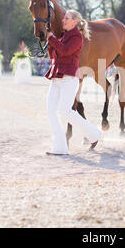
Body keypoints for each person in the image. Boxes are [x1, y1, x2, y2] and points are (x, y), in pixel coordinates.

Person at [44, 9, 102, 155]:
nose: (63, 20)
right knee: (50, 111)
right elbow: (54, 55)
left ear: (75, 21)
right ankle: (60, 147)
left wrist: (51, 39)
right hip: (56, 77)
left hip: (69, 79)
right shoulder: (63, 36)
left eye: (67, 18)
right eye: (64, 18)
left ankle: (94, 134)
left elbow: (64, 51)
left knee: (65, 111)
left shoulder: (77, 37)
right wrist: (50, 43)